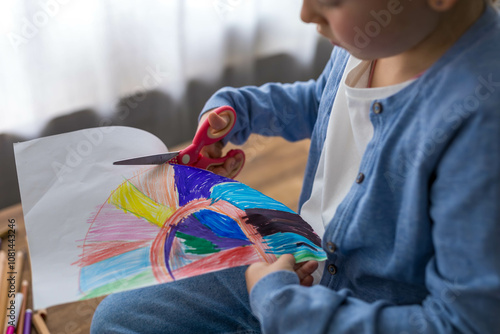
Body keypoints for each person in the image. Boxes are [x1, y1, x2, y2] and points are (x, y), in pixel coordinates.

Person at [91, 0, 500, 333]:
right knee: (117, 321)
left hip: (358, 310)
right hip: (291, 262)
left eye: (331, 1)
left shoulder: (480, 124)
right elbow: (322, 100)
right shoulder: (373, 39)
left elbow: (464, 323)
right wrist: (242, 110)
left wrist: (282, 304)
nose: (305, 14)